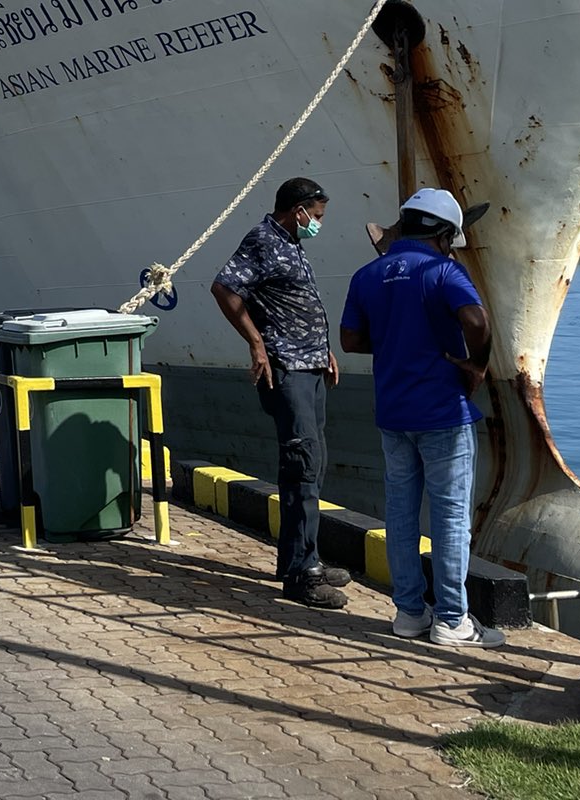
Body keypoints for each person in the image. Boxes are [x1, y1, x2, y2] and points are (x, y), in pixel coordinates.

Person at [339, 187, 504, 648]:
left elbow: (350, 340)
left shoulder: (368, 274)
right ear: (442, 233)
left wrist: (396, 344)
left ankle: (409, 613)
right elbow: (478, 322)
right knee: (450, 517)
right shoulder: (442, 270)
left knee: (400, 515)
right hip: (442, 412)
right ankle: (452, 620)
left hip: (393, 413)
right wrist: (476, 364)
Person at [211, 176, 350, 609]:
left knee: (314, 460)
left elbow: (293, 301)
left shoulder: (290, 243)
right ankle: (300, 576)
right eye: (318, 216)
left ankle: (301, 554)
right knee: (301, 464)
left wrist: (323, 349)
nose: (319, 224)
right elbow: (224, 287)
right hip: (287, 369)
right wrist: (256, 343)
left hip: (310, 366)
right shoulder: (263, 240)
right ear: (299, 210)